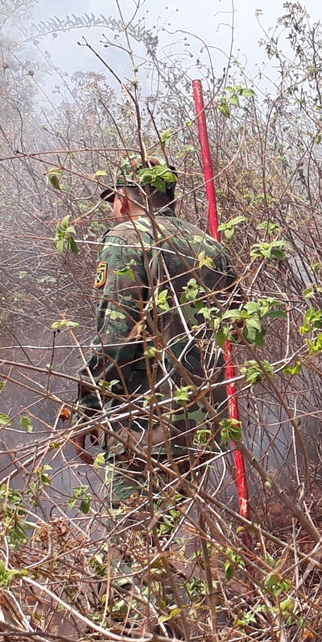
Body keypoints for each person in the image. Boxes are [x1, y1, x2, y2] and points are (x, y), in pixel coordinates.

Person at [73, 158, 233, 508]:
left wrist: (87, 407)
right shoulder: (209, 244)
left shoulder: (126, 238)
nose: (114, 211)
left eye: (113, 201)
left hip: (147, 421)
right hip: (203, 418)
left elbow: (118, 333)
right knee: (175, 533)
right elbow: (235, 322)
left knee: (133, 543)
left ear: (124, 200)